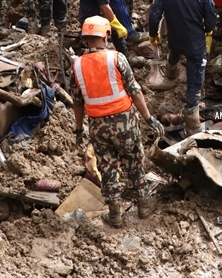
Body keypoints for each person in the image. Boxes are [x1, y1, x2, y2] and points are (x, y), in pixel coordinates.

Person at [70, 16, 164, 228]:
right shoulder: (117, 59)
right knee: (134, 161)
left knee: (108, 168)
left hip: (97, 126)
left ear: (85, 38)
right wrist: (149, 119)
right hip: (125, 123)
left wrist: (78, 129)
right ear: (106, 35)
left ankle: (115, 214)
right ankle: (143, 206)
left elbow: (77, 103)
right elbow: (136, 92)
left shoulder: (76, 65)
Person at [148, 0, 217, 135]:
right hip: (195, 43)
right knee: (195, 82)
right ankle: (193, 123)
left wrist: (153, 34)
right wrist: (207, 29)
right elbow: (210, 23)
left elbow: (155, 15)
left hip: (175, 37)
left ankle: (170, 72)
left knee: (174, 53)